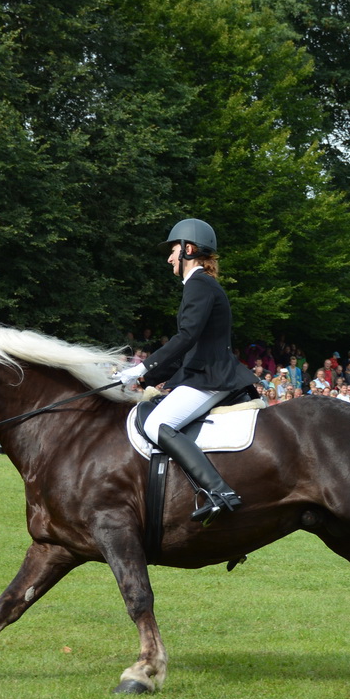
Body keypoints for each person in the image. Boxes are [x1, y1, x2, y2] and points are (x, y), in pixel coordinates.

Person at [114, 219, 259, 522]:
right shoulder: (201, 285)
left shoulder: (199, 283)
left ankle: (219, 491)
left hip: (211, 377)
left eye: (173, 250)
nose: (169, 258)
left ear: (188, 249)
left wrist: (143, 365)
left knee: (158, 425)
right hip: (203, 372)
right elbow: (191, 348)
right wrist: (146, 377)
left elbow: (187, 337)